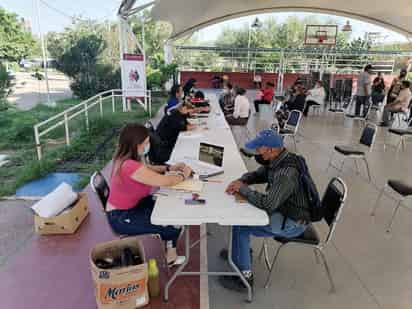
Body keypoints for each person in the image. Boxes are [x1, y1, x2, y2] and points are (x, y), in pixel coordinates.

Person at [218, 130, 310, 292]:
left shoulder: (286, 173)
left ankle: (245, 279)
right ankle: (239, 253)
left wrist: (244, 190)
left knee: (240, 226)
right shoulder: (278, 160)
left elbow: (268, 204)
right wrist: (242, 180)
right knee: (240, 219)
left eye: (259, 148)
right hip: (284, 210)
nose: (256, 152)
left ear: (272, 150)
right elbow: (258, 174)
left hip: (293, 222)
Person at [106, 123, 192, 266]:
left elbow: (147, 168)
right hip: (122, 216)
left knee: (170, 208)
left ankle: (169, 248)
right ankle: (171, 256)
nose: (148, 146)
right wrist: (184, 175)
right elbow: (166, 181)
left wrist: (169, 167)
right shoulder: (130, 166)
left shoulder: (124, 157)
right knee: (173, 224)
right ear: (136, 145)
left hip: (133, 205)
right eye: (145, 143)